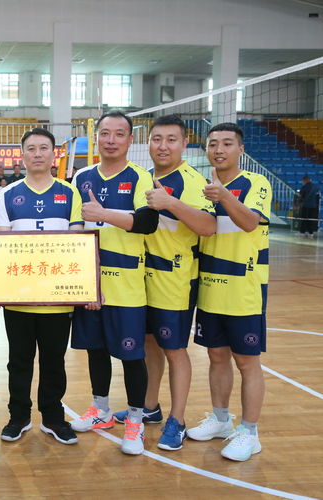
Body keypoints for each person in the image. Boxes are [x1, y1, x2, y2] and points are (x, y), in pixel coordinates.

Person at [109, 115, 216, 451]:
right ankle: (149, 406)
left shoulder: (191, 180)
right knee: (148, 345)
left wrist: (171, 202)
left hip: (175, 280)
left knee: (174, 350)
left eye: (171, 139)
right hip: (141, 277)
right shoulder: (144, 177)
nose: (163, 146)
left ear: (184, 143)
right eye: (157, 139)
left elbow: (208, 226)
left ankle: (178, 420)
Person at [69, 111, 159, 455]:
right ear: (96, 138)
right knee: (96, 350)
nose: (111, 140)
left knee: (131, 356)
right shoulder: (82, 176)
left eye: (119, 134)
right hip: (90, 282)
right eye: (105, 133)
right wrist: (83, 279)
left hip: (127, 285)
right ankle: (101, 409)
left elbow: (147, 222)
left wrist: (104, 214)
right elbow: (74, 226)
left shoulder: (139, 177)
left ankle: (135, 419)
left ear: (130, 140)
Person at [186, 122, 272, 462]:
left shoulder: (255, 182)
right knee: (216, 357)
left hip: (244, 290)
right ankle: (221, 420)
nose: (218, 150)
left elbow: (250, 222)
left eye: (226, 143)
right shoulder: (202, 187)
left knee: (247, 362)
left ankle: (250, 433)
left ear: (240, 149)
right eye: (213, 144)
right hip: (210, 287)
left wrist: (224, 195)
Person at [0, 128, 83, 445]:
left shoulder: (70, 193)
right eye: (31, 148)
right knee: (18, 360)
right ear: (22, 155)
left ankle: (53, 418)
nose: (37, 154)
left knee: (54, 360)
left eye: (43, 148)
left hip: (58, 295)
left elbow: (77, 242)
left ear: (53, 154)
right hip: (19, 295)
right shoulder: (7, 194)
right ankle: (18, 417)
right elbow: (3, 244)